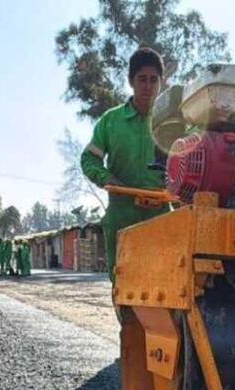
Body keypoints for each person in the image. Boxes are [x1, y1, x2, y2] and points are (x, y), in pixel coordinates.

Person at [81, 47, 169, 279]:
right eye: (142, 79)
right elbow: (89, 159)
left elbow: (188, 162)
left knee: (161, 282)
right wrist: (105, 177)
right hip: (122, 217)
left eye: (153, 80)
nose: (148, 86)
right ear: (131, 81)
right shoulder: (111, 121)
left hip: (159, 217)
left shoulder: (169, 123)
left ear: (161, 82)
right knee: (124, 285)